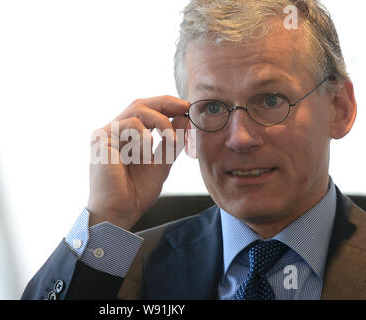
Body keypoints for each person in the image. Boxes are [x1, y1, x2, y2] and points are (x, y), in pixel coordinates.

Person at [21, 0, 366, 300]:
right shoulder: (115, 272)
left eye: (270, 100)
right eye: (212, 107)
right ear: (186, 128)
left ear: (340, 108)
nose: (240, 138)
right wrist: (106, 218)